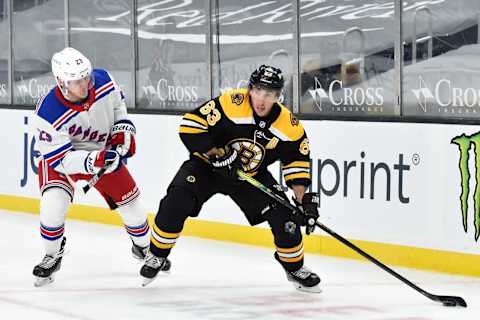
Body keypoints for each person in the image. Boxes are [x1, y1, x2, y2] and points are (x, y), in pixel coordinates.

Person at [140, 65, 321, 292]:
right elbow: (190, 124)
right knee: (177, 199)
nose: (261, 99)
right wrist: (218, 154)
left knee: (286, 217)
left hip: (249, 176)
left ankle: (294, 267)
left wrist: (303, 200)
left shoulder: (290, 127)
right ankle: (156, 255)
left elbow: (297, 162)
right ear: (250, 89)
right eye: (258, 91)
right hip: (206, 167)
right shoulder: (231, 103)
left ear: (278, 96)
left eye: (269, 94)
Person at [31, 47, 153, 286]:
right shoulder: (47, 112)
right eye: (77, 81)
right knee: (52, 206)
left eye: (86, 77)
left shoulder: (104, 80)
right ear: (61, 82)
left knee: (134, 207)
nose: (85, 84)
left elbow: (119, 107)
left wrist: (122, 130)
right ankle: (52, 254)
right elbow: (61, 160)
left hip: (103, 153)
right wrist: (93, 160)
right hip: (64, 158)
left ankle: (144, 249)